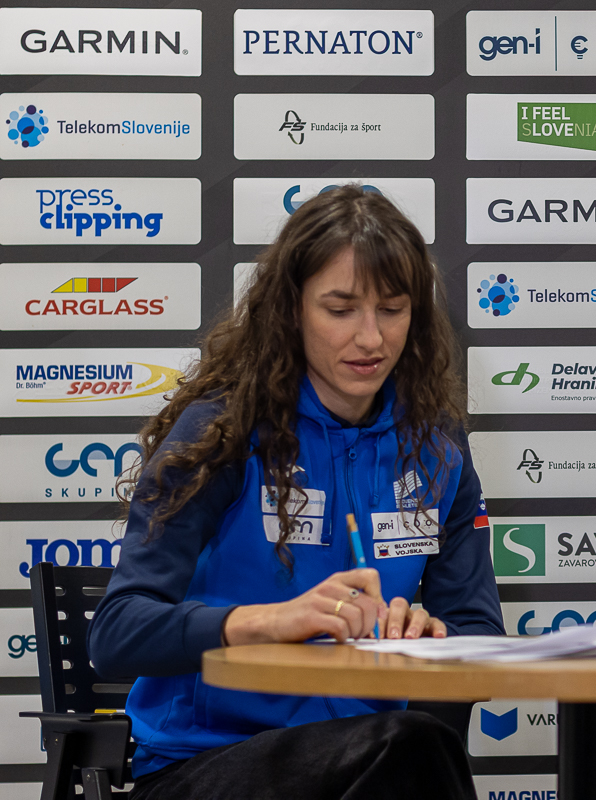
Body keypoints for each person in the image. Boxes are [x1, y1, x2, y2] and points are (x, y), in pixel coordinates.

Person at [88, 185, 504, 800]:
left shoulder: (436, 443)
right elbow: (118, 633)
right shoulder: (222, 431)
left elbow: (478, 635)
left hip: (374, 758)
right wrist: (273, 622)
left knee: (409, 745)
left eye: (393, 309)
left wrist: (427, 638)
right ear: (291, 310)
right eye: (341, 310)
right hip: (200, 764)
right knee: (407, 748)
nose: (371, 338)